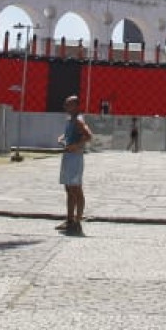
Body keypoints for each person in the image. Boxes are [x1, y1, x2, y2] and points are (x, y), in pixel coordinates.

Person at [57, 94, 92, 235]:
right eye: (65, 104)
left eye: (69, 104)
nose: (66, 107)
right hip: (68, 156)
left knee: (76, 189)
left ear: (76, 106)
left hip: (75, 158)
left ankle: (78, 221)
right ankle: (70, 220)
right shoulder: (70, 120)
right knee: (68, 189)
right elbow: (70, 135)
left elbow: (89, 136)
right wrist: (62, 138)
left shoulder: (78, 120)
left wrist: (76, 146)